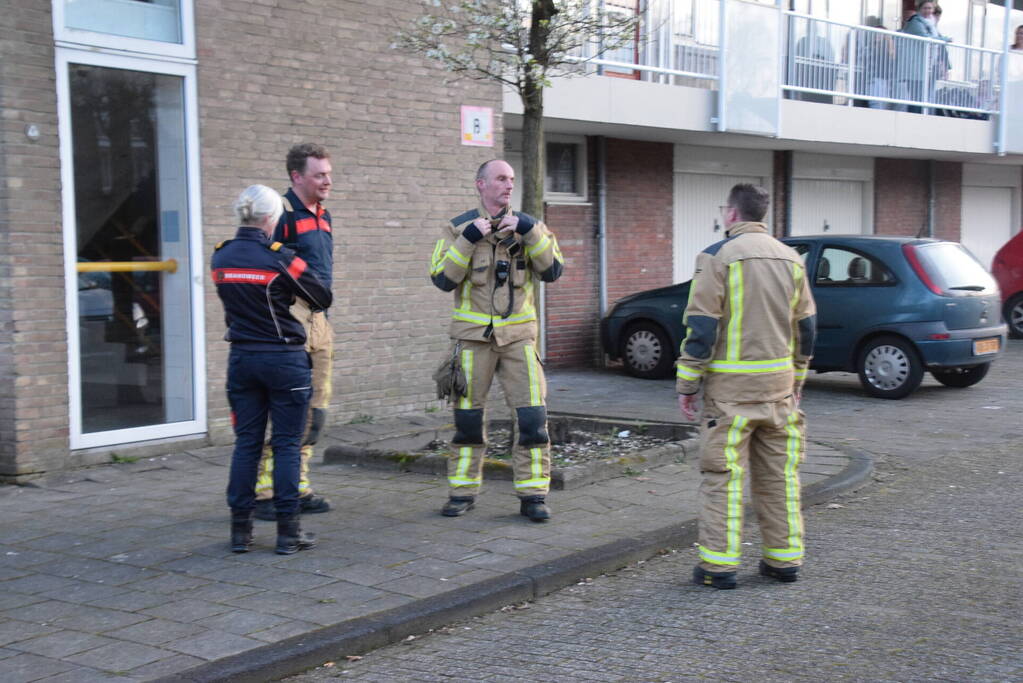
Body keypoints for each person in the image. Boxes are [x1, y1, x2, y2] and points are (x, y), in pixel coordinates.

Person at [676, 184, 816, 590]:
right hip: (780, 391)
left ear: (732, 214)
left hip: (731, 395)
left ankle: (718, 567)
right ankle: (783, 561)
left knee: (722, 477)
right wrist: (798, 378)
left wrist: (688, 382)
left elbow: (702, 326)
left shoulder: (717, 257)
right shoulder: (792, 258)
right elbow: (806, 328)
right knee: (780, 477)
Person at [429, 159, 564, 522]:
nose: (508, 185)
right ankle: (462, 492)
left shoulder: (530, 226)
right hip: (472, 342)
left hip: (519, 340)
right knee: (468, 420)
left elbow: (553, 270)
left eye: (512, 179)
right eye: (501, 179)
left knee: (532, 418)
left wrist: (529, 232)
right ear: (481, 184)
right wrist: (468, 240)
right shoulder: (457, 228)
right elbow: (442, 279)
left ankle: (533, 494)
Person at [212, 184, 332, 555]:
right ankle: (287, 534)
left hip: (242, 359)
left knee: (246, 444)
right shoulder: (279, 258)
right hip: (284, 361)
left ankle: (240, 533)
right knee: (287, 445)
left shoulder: (221, 256)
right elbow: (321, 296)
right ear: (271, 218)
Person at [252, 144, 335, 522]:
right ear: (296, 177)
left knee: (315, 410)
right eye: (319, 175)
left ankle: (297, 485)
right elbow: (267, 269)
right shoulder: (281, 215)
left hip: (320, 323)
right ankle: (265, 491)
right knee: (286, 409)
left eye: (328, 173)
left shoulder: (323, 215)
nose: (327, 181)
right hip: (289, 324)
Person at [897, 1, 950, 113]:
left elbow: (941, 48)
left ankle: (922, 117)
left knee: (925, 98)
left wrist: (945, 65)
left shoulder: (930, 24)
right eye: (925, 8)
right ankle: (914, 118)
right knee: (917, 98)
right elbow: (926, 37)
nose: (928, 11)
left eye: (930, 8)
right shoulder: (915, 22)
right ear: (919, 9)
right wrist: (945, 39)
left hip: (927, 68)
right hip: (915, 68)